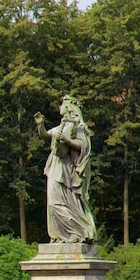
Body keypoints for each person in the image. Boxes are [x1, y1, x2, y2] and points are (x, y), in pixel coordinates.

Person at [34, 95, 97, 244]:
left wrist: (67, 140)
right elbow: (45, 135)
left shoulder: (77, 126)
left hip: (65, 168)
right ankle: (61, 235)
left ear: (69, 107)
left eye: (62, 104)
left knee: (58, 202)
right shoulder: (61, 125)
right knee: (53, 202)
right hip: (54, 165)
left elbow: (84, 146)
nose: (59, 107)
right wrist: (40, 125)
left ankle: (75, 232)